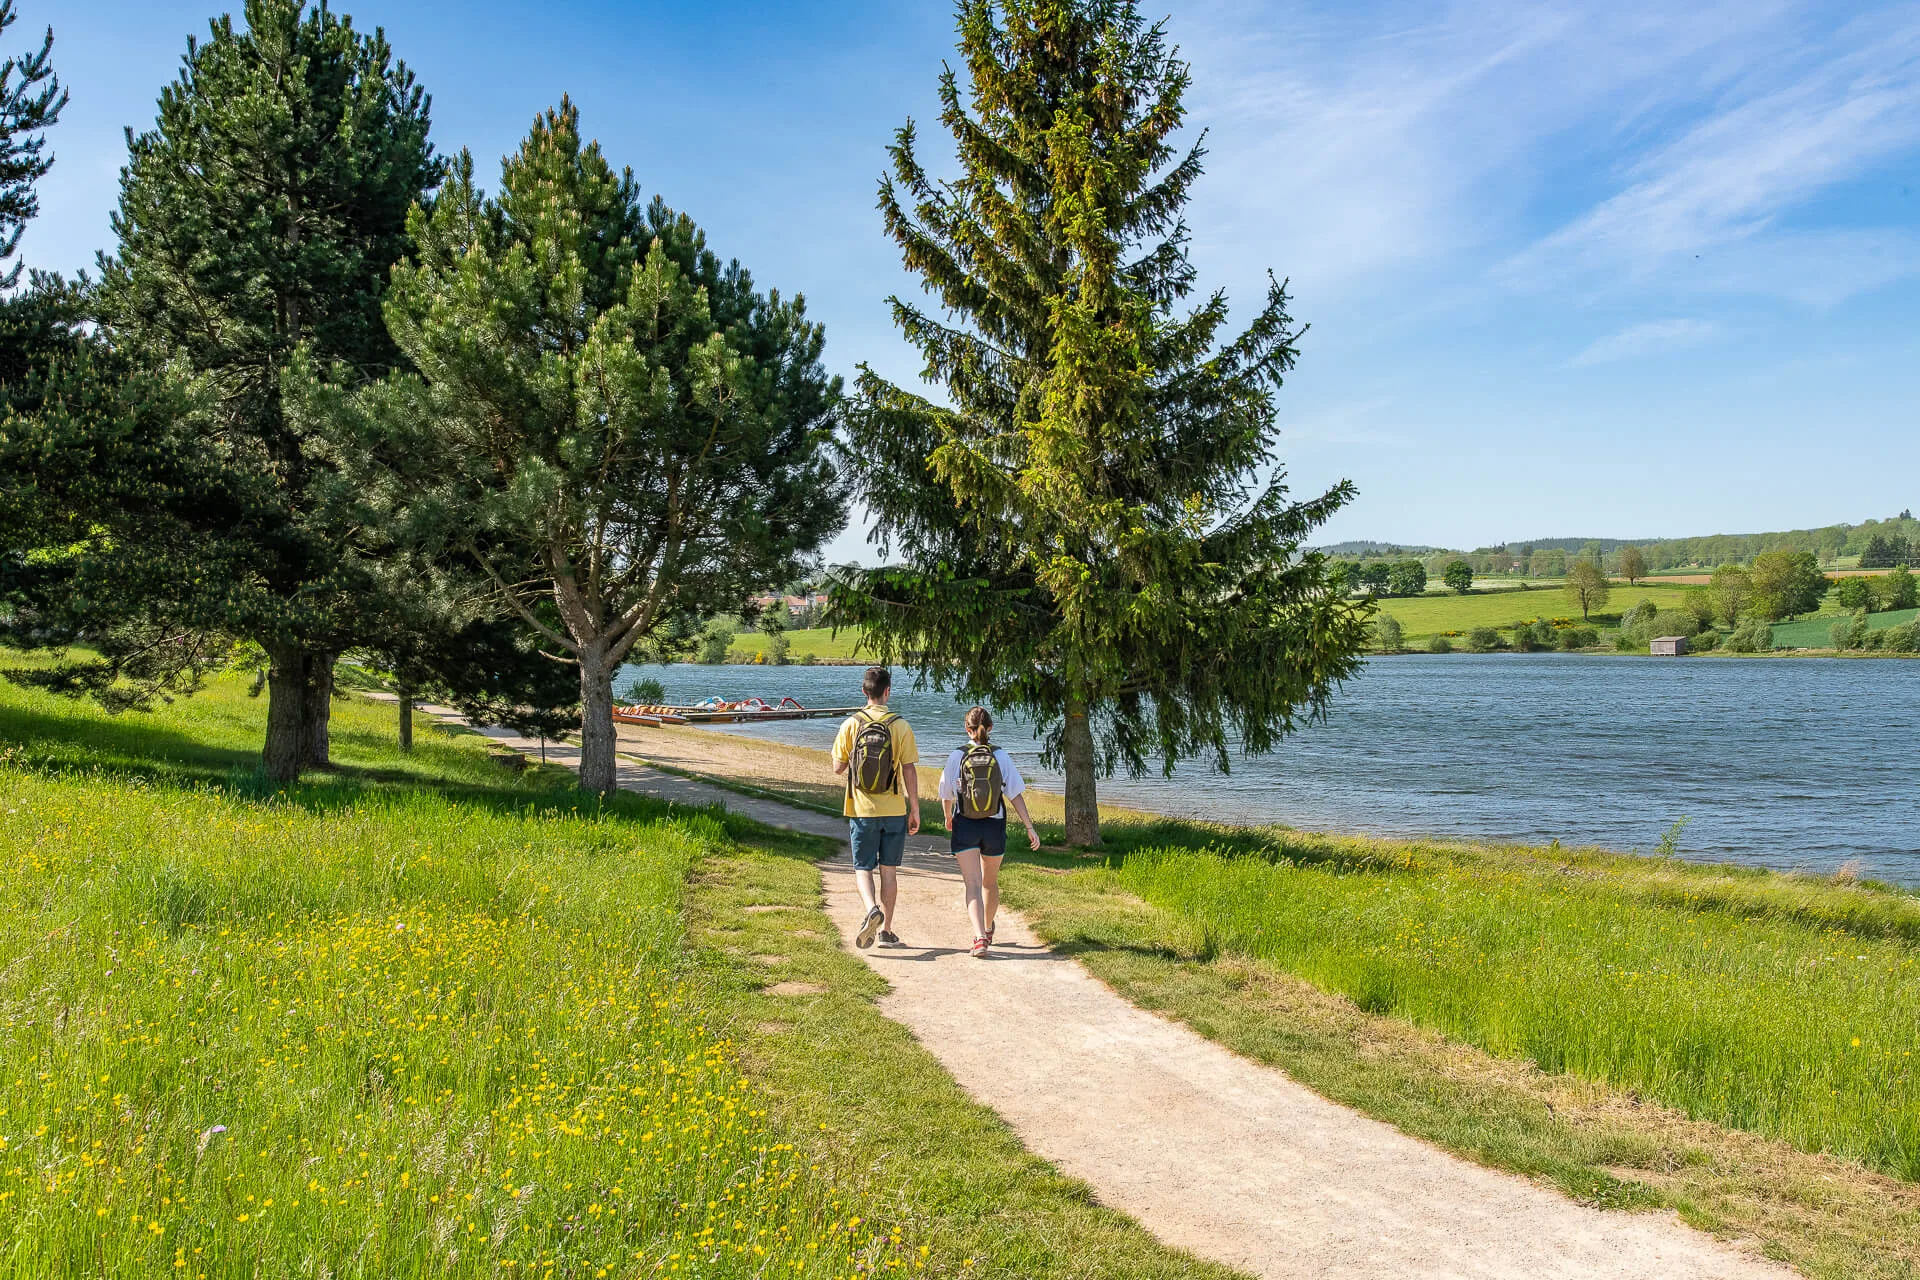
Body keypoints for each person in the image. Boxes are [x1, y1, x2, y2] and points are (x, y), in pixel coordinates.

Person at [938, 706, 1040, 957]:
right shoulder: (1001, 756)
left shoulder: (957, 756)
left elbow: (945, 793)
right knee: (989, 882)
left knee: (972, 884)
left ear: (967, 729)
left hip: (966, 824)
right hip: (994, 824)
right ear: (991, 728)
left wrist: (947, 817)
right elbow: (1014, 794)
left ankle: (979, 938)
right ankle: (987, 927)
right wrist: (1029, 827)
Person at [832, 666, 919, 948]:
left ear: (864, 692)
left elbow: (838, 768)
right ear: (887, 691)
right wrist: (914, 808)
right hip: (894, 810)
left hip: (861, 810)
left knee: (862, 868)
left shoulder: (851, 724)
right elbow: (909, 770)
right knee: (889, 871)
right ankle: (887, 931)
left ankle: (871, 909)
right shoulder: (901, 725)